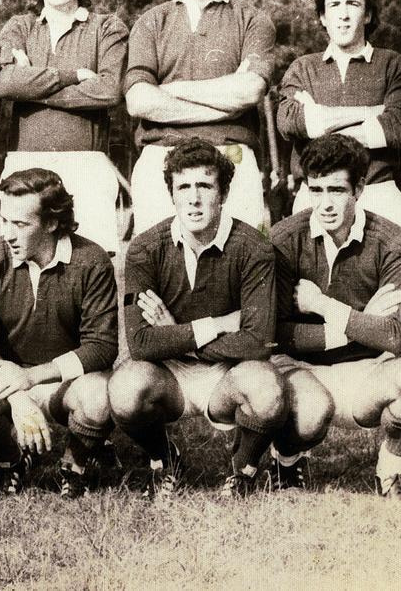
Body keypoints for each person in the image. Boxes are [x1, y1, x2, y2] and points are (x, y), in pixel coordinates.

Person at [108, 138, 284, 498]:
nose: (194, 198)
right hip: (168, 372)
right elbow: (140, 343)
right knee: (125, 390)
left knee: (267, 389)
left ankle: (243, 469)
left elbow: (257, 340)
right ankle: (164, 460)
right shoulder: (144, 247)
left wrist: (174, 334)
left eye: (204, 185)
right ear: (171, 193)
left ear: (223, 192)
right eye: (183, 187)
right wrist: (216, 325)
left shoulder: (254, 247)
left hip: (227, 373)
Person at [269, 134, 401, 498]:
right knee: (310, 411)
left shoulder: (393, 241)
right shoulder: (283, 239)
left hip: (365, 368)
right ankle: (287, 460)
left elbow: (393, 336)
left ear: (359, 188)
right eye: (316, 190)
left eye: (337, 190)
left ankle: (393, 466)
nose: (325, 204)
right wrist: (359, 321)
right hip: (300, 366)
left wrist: (323, 306)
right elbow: (273, 333)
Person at [0, 168, 118, 497]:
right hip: (9, 378)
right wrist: (17, 396)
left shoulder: (92, 260)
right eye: (4, 221)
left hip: (64, 380)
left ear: (52, 222)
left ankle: (74, 462)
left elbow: (102, 346)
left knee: (99, 397)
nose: (8, 234)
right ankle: (12, 458)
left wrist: (32, 377)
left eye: (20, 224)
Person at [124, 0, 275, 234]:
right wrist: (224, 99)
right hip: (160, 156)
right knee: (160, 271)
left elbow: (249, 92)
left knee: (240, 266)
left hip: (231, 154)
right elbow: (138, 101)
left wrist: (172, 89)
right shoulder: (151, 22)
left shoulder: (251, 19)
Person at [0, 0, 128, 254]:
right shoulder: (19, 27)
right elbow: (7, 84)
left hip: (87, 165)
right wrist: (74, 75)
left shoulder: (107, 27)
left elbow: (109, 89)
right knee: (23, 272)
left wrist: (32, 83)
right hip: (25, 162)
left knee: (91, 269)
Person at [277, 0, 401, 229]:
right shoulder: (301, 68)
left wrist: (319, 120)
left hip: (378, 194)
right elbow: (288, 123)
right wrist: (372, 113)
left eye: (352, 4)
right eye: (334, 5)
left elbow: (397, 128)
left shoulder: (397, 66)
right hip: (314, 194)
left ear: (367, 15)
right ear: (322, 17)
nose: (343, 15)